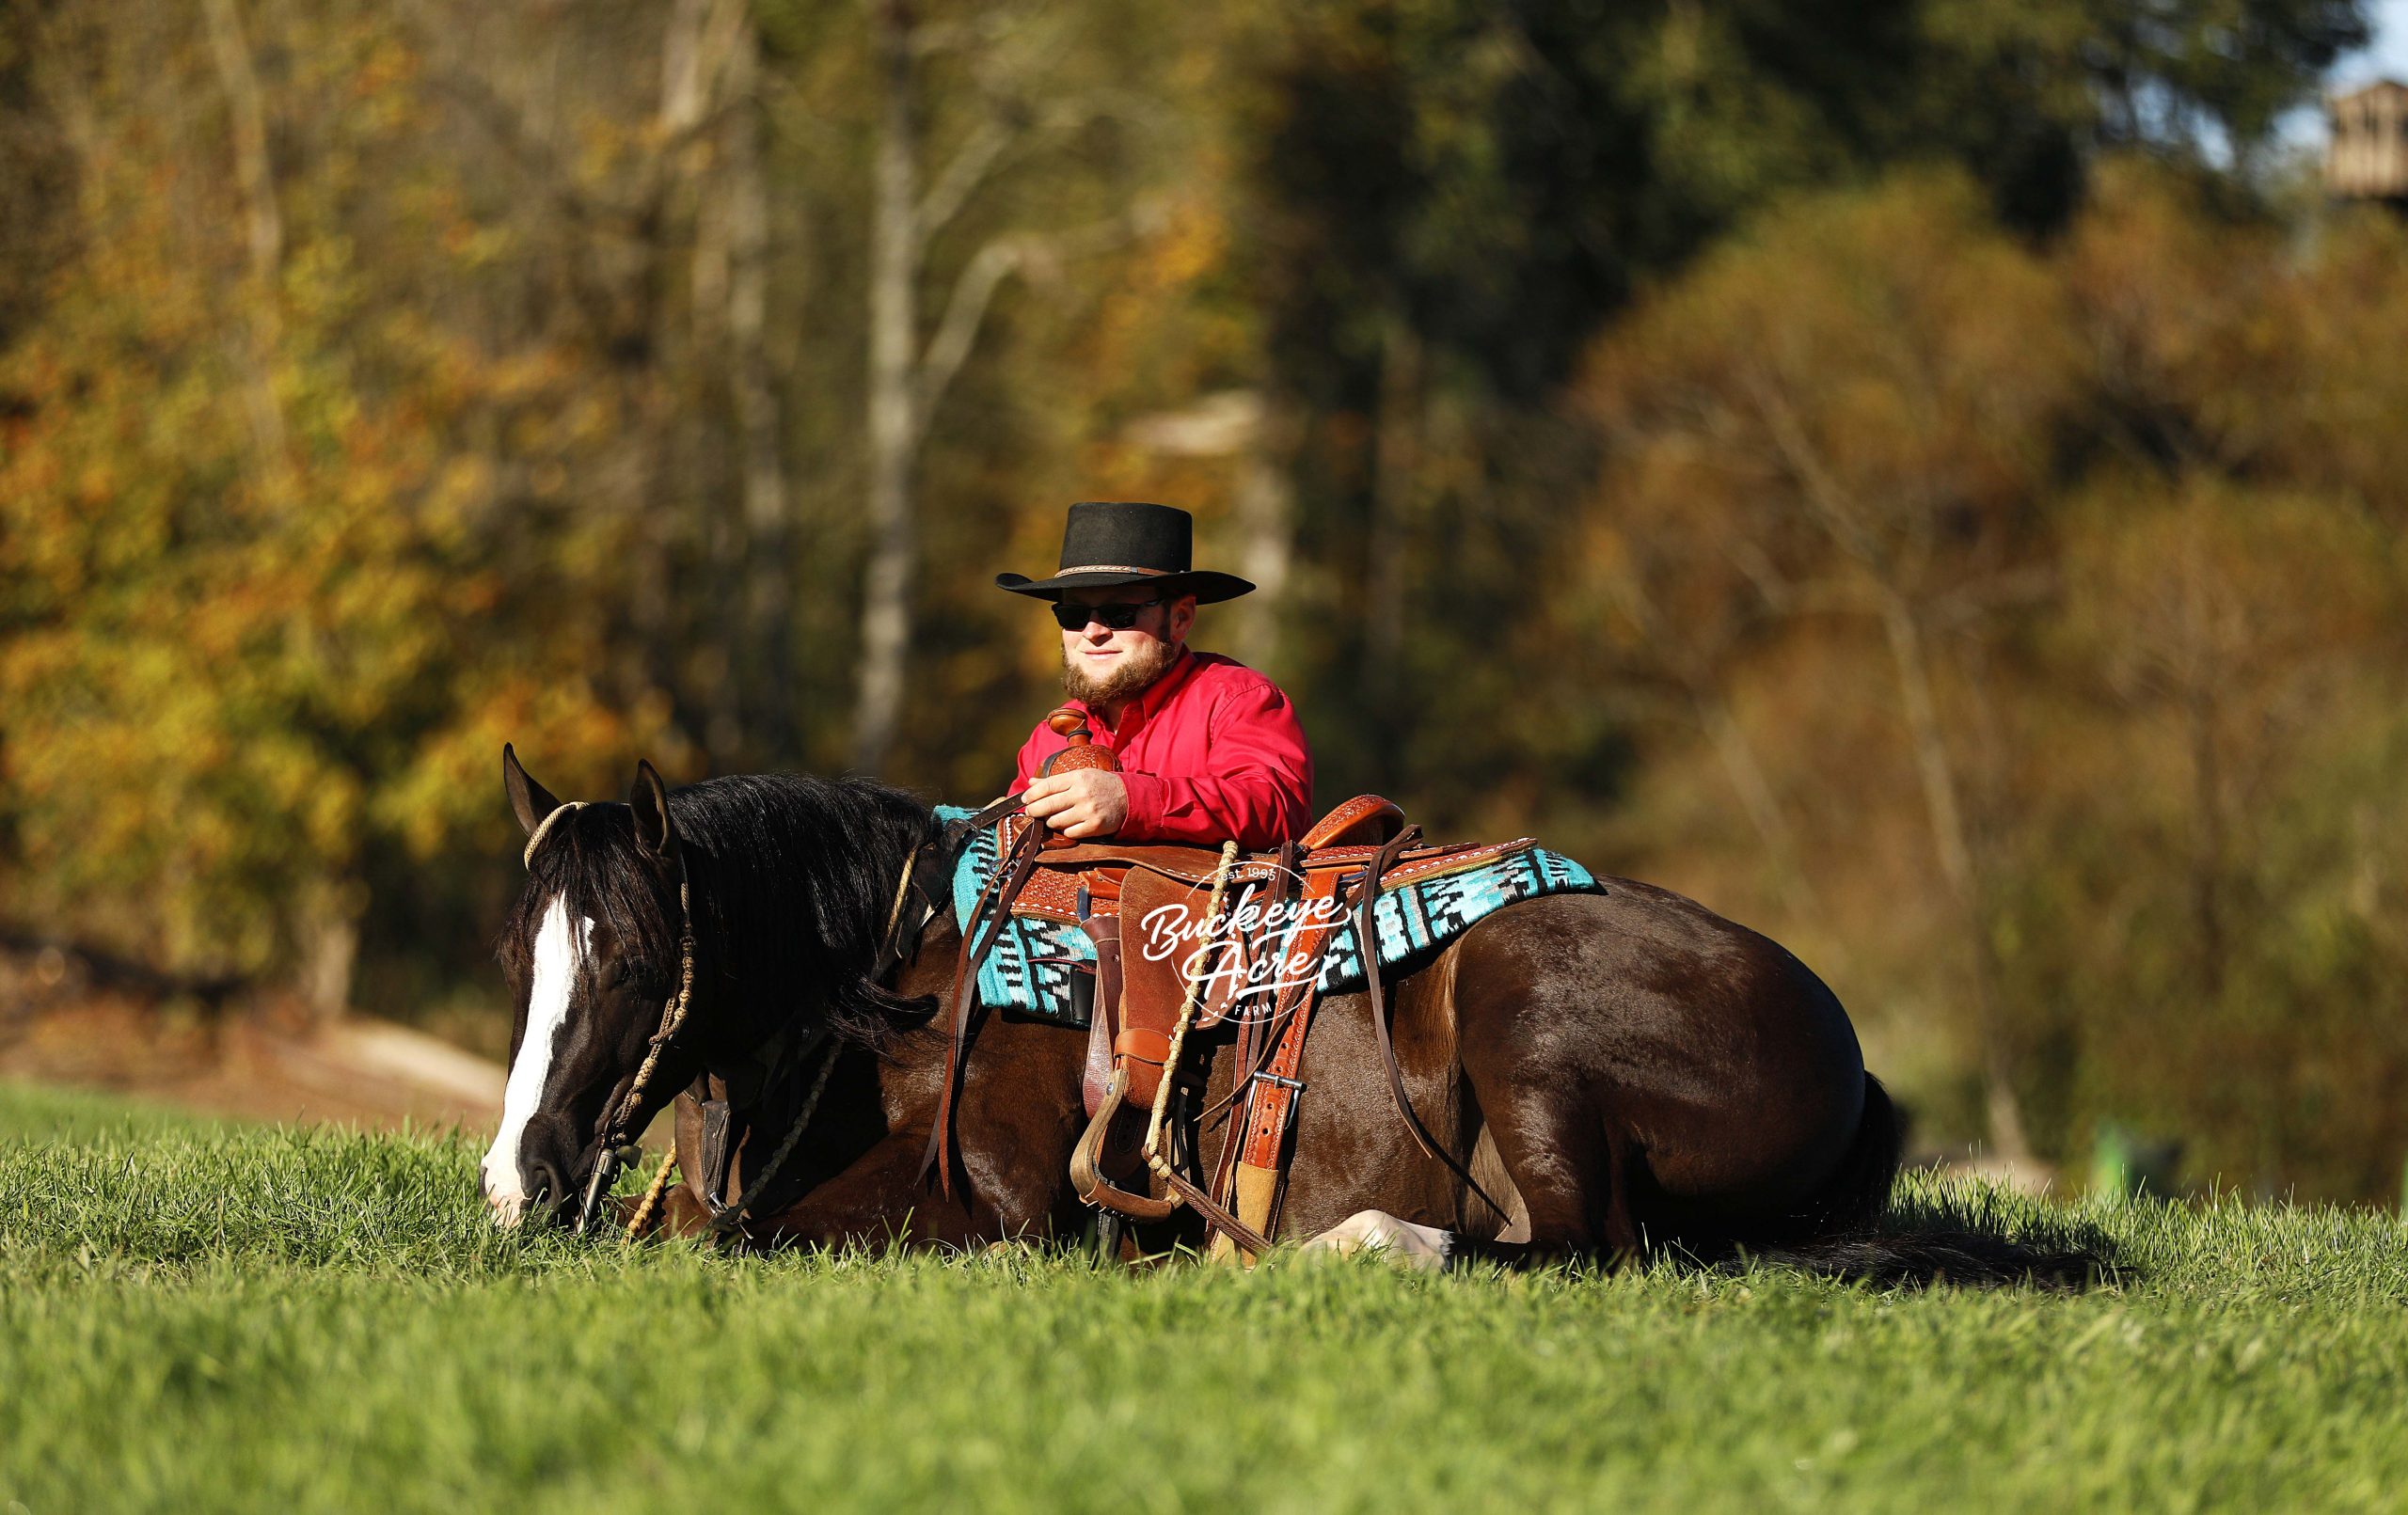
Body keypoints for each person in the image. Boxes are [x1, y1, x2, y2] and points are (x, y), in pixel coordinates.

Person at [1002, 500, 1313, 849]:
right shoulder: (1048, 736)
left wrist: (1132, 801)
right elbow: (1010, 848)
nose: (1092, 631)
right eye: (1072, 615)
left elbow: (1278, 810)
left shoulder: (1240, 700)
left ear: (1180, 618)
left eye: (1119, 614)